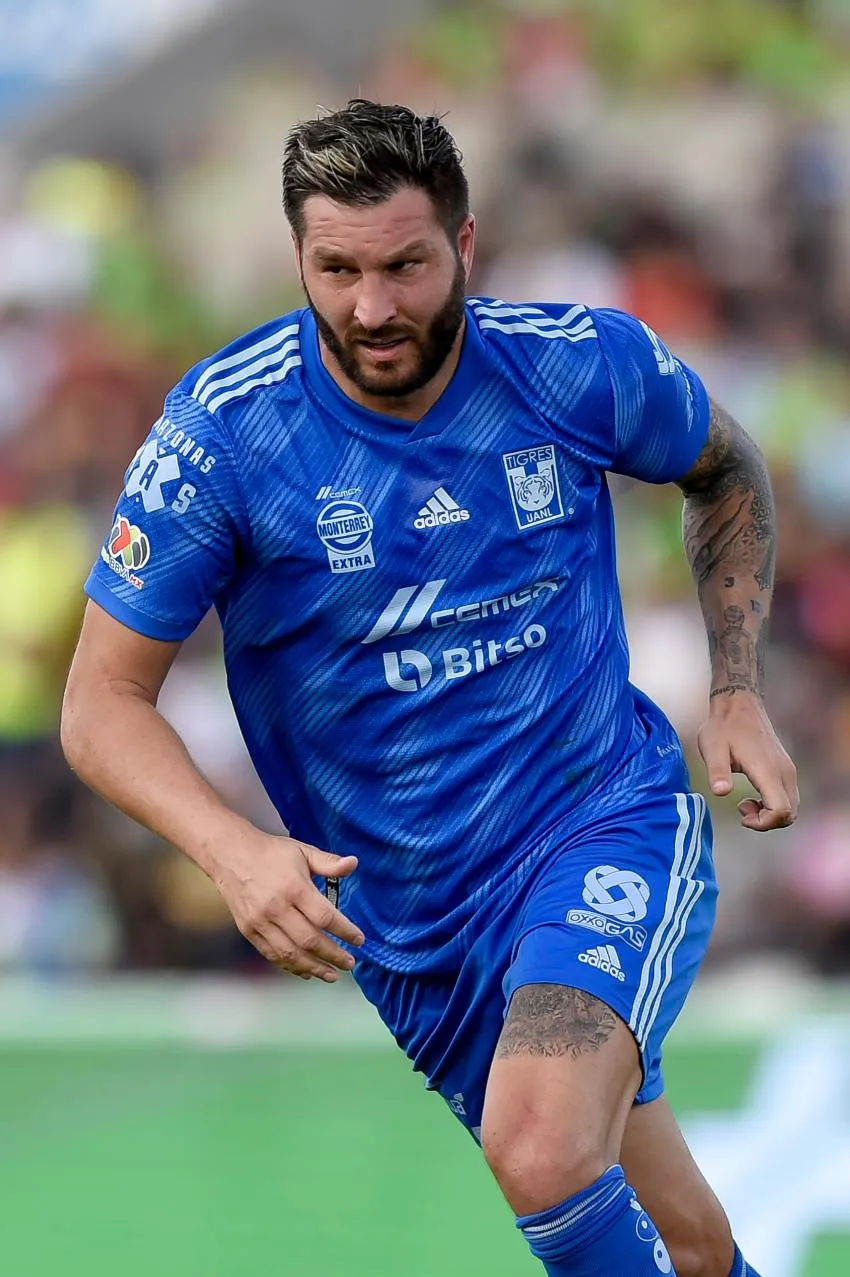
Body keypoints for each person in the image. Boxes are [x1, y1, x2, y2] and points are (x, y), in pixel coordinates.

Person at [62, 100, 797, 1277]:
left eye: (404, 265)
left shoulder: (570, 363)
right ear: (297, 255)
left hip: (597, 818)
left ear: (465, 243)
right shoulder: (225, 433)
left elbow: (726, 467)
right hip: (416, 930)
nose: (371, 306)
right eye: (335, 268)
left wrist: (737, 686)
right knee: (690, 1245)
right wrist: (231, 848)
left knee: (543, 1147)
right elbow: (99, 699)